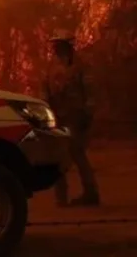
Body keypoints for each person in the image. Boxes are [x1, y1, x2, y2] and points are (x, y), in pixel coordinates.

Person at [45, 34, 100, 207]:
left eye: (58, 45)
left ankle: (90, 193)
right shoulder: (52, 67)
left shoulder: (81, 66)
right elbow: (45, 88)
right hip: (57, 115)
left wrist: (88, 114)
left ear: (67, 45)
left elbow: (90, 91)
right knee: (58, 155)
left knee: (76, 152)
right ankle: (61, 196)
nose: (54, 49)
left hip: (76, 115)